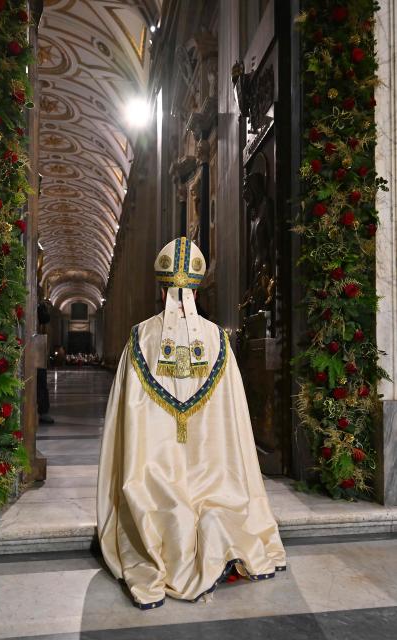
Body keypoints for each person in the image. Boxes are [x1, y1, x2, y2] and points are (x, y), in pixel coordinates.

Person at [96, 237, 286, 609]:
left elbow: (127, 414)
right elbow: (232, 419)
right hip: (213, 474)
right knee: (216, 506)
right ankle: (223, 528)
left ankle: (162, 531)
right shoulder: (218, 339)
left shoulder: (141, 338)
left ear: (161, 285)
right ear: (196, 289)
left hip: (153, 476)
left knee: (156, 493)